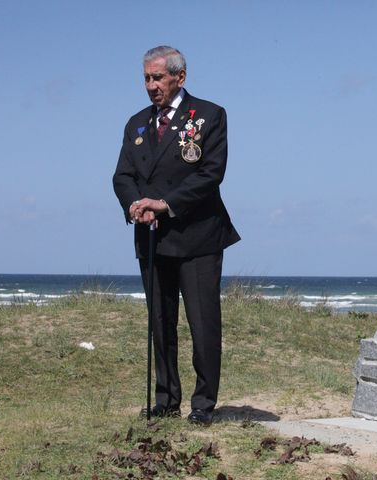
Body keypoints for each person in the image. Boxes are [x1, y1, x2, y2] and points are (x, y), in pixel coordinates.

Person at [113, 46, 240, 425]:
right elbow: (122, 175)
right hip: (152, 238)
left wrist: (164, 203)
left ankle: (203, 405)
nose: (151, 86)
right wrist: (136, 203)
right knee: (161, 323)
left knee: (202, 324)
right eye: (146, 79)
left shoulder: (209, 115)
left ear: (179, 77)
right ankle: (166, 400)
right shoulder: (136, 123)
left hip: (197, 237)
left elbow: (209, 174)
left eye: (158, 78)